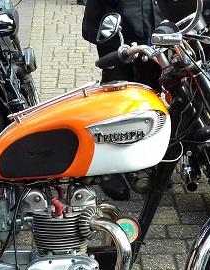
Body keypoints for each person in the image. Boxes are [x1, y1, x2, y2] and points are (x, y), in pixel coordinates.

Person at [82, 0, 163, 199]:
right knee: (115, 94)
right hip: (115, 24)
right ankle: (109, 168)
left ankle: (145, 158)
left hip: (156, 24)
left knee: (151, 93)